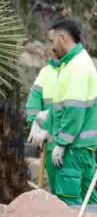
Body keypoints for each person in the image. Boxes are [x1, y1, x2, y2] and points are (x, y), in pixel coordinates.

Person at [27, 19, 97, 205]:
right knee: (89, 203)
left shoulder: (77, 66)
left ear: (62, 37)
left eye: (52, 41)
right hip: (81, 147)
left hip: (73, 149)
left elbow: (74, 110)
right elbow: (63, 109)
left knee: (69, 204)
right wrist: (41, 119)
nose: (51, 47)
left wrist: (62, 142)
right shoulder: (75, 64)